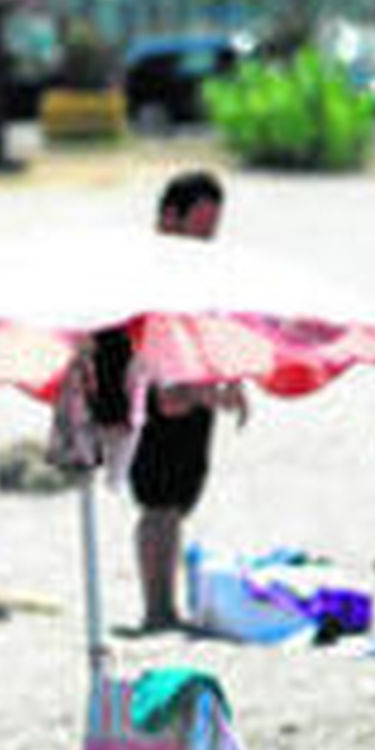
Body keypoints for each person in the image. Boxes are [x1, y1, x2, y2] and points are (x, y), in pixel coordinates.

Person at [128, 170, 245, 631]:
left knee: (178, 501)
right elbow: (142, 341)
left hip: (194, 388)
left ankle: (167, 608)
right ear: (169, 218)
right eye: (200, 226)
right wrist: (184, 389)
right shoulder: (148, 268)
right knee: (157, 503)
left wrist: (227, 376)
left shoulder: (199, 269)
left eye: (212, 228)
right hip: (156, 392)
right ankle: (156, 608)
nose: (207, 238)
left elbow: (209, 326)